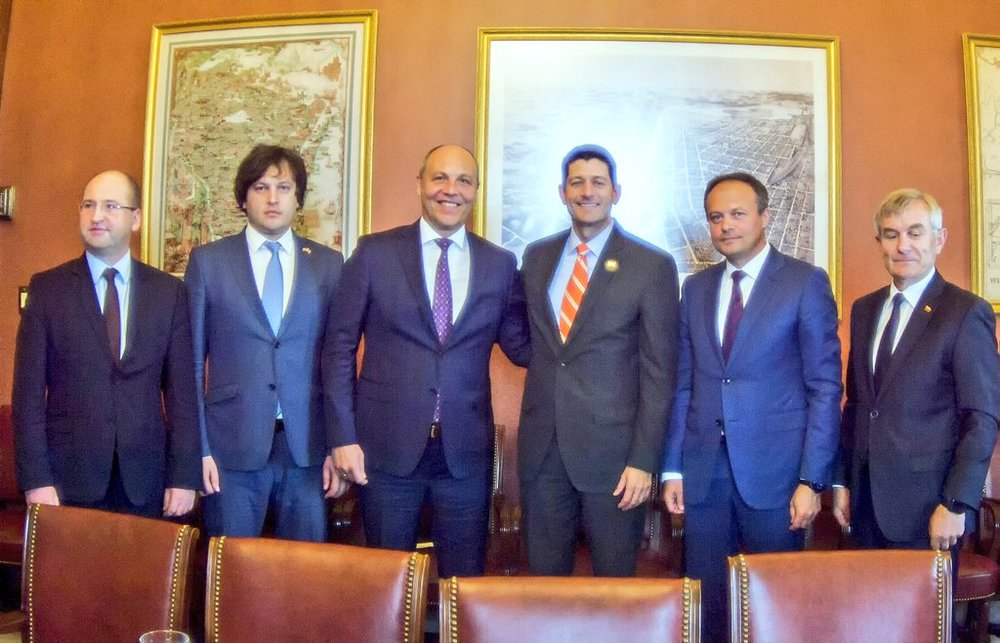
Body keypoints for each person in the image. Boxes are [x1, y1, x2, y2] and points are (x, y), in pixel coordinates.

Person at [324, 144, 530, 577]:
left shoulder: (499, 264)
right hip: (385, 452)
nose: (450, 190)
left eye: (463, 181)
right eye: (440, 178)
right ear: (420, 184)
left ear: (475, 191)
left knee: (462, 585)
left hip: (465, 457)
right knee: (388, 582)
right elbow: (339, 348)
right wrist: (342, 437)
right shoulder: (374, 253)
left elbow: (524, 346)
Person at [661, 172, 842, 642]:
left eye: (738, 214)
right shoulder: (695, 289)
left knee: (773, 604)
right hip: (704, 472)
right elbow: (684, 384)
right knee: (707, 605)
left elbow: (825, 388)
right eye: (716, 217)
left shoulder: (804, 282)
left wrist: (812, 480)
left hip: (777, 475)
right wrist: (672, 467)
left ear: (765, 217)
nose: (726, 225)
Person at [517, 144, 679, 577]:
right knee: (543, 587)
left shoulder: (651, 265)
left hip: (616, 461)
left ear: (616, 192)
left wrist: (644, 461)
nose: (587, 191)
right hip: (543, 452)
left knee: (614, 589)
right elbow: (533, 341)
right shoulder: (536, 257)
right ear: (562, 192)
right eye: (577, 182)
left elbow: (660, 373)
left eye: (598, 182)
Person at [12, 170, 200, 518]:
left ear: (136, 219)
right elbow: (27, 396)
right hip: (67, 480)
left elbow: (182, 395)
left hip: (146, 481)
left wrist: (184, 476)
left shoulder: (168, 293)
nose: (96, 216)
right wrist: (35, 479)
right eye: (88, 205)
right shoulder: (48, 290)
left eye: (111, 206)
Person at [186, 144, 344, 541]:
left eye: (283, 188)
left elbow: (337, 363)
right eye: (260, 187)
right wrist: (199, 450)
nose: (273, 198)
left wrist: (335, 446)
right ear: (243, 198)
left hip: (306, 448)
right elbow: (190, 365)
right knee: (231, 567)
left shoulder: (328, 264)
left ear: (298, 199)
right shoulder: (209, 262)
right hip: (230, 447)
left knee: (305, 567)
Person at [834, 188, 999, 558]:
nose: (902, 245)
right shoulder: (864, 309)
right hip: (864, 506)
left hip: (930, 509)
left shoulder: (965, 312)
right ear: (879, 242)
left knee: (925, 603)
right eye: (891, 234)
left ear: (939, 239)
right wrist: (842, 480)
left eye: (915, 232)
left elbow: (982, 418)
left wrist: (956, 503)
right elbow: (857, 405)